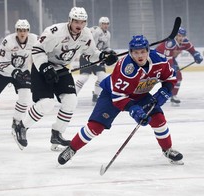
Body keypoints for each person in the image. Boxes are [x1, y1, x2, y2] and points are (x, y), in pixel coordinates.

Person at [58, 35, 184, 166]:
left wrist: (165, 91)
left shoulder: (159, 59)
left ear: (148, 51)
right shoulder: (126, 68)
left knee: (158, 119)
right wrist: (133, 109)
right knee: (95, 127)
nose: (139, 55)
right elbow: (118, 98)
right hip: (113, 95)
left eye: (142, 52)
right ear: (130, 52)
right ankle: (72, 149)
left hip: (140, 94)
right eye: (135, 52)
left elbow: (170, 78)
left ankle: (167, 150)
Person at [12, 7, 118, 151]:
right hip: (41, 67)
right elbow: (37, 49)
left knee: (71, 100)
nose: (79, 25)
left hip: (61, 67)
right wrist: (45, 67)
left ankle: (57, 133)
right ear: (70, 20)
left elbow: (91, 53)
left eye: (82, 22)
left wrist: (102, 57)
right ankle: (21, 127)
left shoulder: (86, 34)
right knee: (47, 103)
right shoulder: (55, 32)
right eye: (76, 21)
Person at [0, 19, 37, 130]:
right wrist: (13, 71)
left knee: (25, 97)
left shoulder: (34, 39)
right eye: (20, 30)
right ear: (16, 31)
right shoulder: (7, 41)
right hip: (1, 72)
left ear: (28, 31)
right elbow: (0, 59)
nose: (22, 33)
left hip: (21, 72)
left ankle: (17, 122)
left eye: (25, 30)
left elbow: (46, 47)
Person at [156, 27, 203, 105]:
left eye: (182, 36)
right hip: (159, 59)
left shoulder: (185, 42)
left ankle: (173, 96)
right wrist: (171, 69)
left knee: (178, 77)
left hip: (170, 59)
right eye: (179, 36)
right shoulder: (170, 43)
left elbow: (193, 51)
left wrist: (196, 56)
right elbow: (167, 59)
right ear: (175, 36)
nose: (180, 38)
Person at [75, 16, 112, 102]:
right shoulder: (96, 31)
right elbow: (91, 45)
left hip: (98, 57)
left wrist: (111, 52)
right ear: (100, 24)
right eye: (103, 23)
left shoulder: (108, 34)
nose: (105, 25)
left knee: (102, 77)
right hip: (87, 56)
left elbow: (106, 47)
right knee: (84, 77)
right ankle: (72, 95)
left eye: (107, 23)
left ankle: (96, 95)